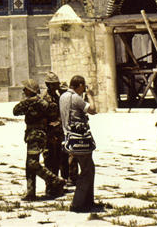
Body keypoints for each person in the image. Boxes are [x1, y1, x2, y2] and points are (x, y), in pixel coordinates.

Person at [13, 79, 65, 200]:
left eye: (25, 88)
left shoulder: (33, 102)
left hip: (36, 135)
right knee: (29, 164)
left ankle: (55, 180)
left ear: (30, 90)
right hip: (36, 135)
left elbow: (16, 111)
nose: (23, 90)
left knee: (32, 163)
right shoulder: (42, 102)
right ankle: (31, 193)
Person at [59, 75, 97, 213]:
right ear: (80, 85)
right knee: (87, 170)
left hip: (69, 137)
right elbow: (93, 110)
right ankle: (78, 203)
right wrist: (90, 96)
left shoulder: (63, 97)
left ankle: (88, 201)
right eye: (84, 86)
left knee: (89, 168)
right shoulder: (76, 98)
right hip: (79, 138)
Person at [41, 72, 67, 182]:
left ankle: (56, 183)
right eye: (55, 84)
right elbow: (41, 117)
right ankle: (50, 186)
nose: (57, 86)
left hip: (57, 134)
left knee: (57, 159)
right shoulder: (44, 98)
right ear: (49, 85)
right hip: (48, 135)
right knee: (49, 161)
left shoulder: (56, 97)